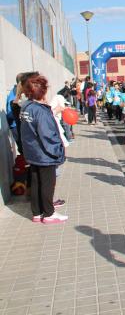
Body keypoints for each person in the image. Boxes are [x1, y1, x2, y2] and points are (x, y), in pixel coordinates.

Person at [19, 74, 67, 224]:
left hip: (32, 152)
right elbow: (48, 135)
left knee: (36, 182)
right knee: (47, 182)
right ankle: (49, 213)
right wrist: (58, 151)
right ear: (42, 91)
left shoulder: (26, 106)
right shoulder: (40, 110)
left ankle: (37, 212)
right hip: (44, 153)